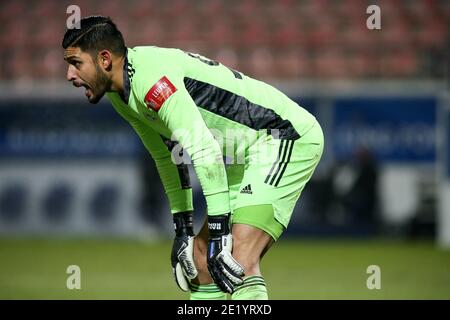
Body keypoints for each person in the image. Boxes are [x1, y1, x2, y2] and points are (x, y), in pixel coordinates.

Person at [62, 16, 324, 300]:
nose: (70, 75)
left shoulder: (151, 81)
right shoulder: (120, 93)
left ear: (104, 59)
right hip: (244, 153)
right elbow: (165, 155)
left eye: (76, 63)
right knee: (201, 259)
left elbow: (205, 150)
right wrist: (183, 228)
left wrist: (219, 229)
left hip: (282, 136)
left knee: (238, 260)